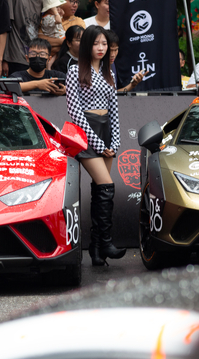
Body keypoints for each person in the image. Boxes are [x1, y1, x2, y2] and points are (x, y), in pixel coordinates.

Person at [65, 25, 125, 267]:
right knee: (107, 185)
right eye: (96, 44)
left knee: (101, 191)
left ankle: (97, 249)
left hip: (106, 131)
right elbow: (74, 112)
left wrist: (115, 140)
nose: (101, 48)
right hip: (85, 133)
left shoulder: (110, 72)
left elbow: (115, 110)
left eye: (105, 45)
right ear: (87, 45)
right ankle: (105, 242)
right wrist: (98, 143)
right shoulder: (74, 71)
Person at [3, 0, 57, 74]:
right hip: (15, 58)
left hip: (33, 60)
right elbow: (5, 28)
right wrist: (4, 59)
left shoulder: (42, 1)